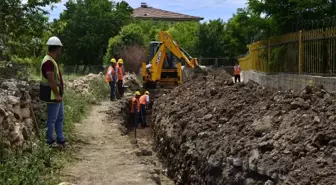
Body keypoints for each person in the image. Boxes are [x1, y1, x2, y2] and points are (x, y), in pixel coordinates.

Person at [40, 36, 65, 146]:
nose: (60, 51)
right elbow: (51, 80)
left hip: (56, 95)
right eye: (60, 48)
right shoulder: (48, 62)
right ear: (57, 48)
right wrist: (57, 94)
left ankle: (60, 138)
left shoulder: (51, 60)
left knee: (59, 118)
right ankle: (49, 140)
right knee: (52, 120)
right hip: (53, 95)